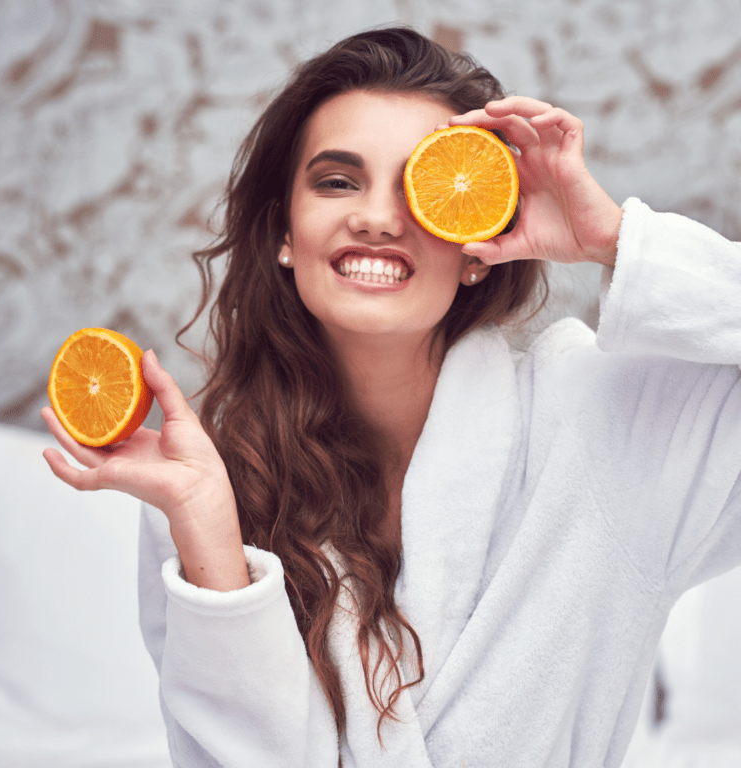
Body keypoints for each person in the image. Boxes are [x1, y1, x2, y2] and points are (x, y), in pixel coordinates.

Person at [42, 27, 741, 768]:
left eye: (419, 186)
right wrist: (211, 529)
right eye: (338, 181)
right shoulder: (210, 481)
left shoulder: (606, 428)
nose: (377, 217)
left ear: (475, 240)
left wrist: (617, 240)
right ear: (284, 231)